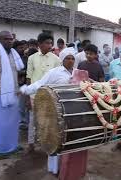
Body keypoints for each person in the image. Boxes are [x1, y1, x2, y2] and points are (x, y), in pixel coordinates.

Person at [20, 47, 88, 179]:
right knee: (55, 140)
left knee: (71, 142)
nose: (70, 60)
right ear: (62, 59)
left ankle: (70, 170)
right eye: (67, 58)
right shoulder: (54, 73)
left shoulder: (80, 73)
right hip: (56, 113)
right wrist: (24, 90)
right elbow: (40, 84)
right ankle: (54, 169)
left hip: (75, 113)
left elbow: (87, 88)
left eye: (72, 58)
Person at [26, 32, 61, 161]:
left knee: (49, 122)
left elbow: (58, 78)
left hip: (50, 97)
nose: (50, 45)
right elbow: (29, 79)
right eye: (47, 43)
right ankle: (30, 144)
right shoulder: (32, 58)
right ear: (39, 44)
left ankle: (47, 145)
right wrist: (28, 97)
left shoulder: (56, 59)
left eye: (51, 43)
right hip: (35, 95)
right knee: (33, 121)